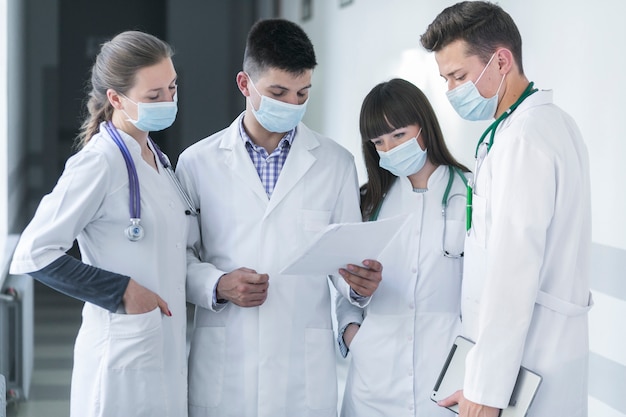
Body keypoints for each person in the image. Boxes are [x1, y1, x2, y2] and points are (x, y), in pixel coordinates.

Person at [176, 18, 382, 417]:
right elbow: (177, 258)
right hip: (226, 363)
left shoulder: (335, 164)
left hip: (301, 374)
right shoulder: (197, 164)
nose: (292, 104)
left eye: (302, 93)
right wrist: (217, 284)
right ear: (244, 84)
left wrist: (359, 284)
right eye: (278, 92)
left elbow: (344, 264)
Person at [420, 2, 593, 417]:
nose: (451, 92)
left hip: (525, 367)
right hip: (532, 358)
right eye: (445, 79)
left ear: (501, 60)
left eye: (459, 76)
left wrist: (486, 391)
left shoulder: (524, 139)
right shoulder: (542, 124)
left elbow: (512, 271)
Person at [9, 31, 193, 417]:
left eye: (172, 88)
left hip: (161, 346)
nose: (169, 102)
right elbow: (33, 253)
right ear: (115, 98)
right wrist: (122, 291)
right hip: (122, 353)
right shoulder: (100, 162)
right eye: (154, 95)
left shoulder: (155, 158)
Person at [335, 78, 470, 417]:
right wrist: (354, 335)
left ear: (423, 127)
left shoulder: (470, 192)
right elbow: (340, 283)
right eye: (379, 142)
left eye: (399, 135)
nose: (390, 149)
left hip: (446, 375)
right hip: (374, 383)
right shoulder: (367, 202)